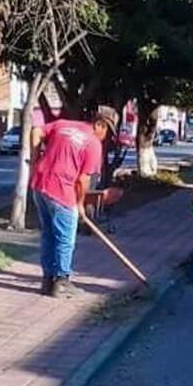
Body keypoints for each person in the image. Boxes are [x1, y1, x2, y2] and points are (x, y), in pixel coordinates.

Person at [29, 106, 118, 297]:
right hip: (61, 190)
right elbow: (83, 180)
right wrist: (79, 204)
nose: (107, 137)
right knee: (65, 238)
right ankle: (61, 281)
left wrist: (35, 160)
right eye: (108, 132)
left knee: (48, 234)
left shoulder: (63, 125)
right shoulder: (93, 144)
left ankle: (48, 281)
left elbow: (36, 130)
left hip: (39, 186)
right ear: (100, 124)